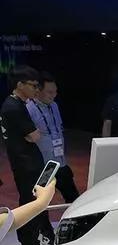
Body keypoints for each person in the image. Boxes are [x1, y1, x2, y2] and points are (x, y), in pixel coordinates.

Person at [0, 66, 52, 245]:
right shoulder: (13, 107)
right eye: (33, 85)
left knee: (30, 203)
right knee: (31, 204)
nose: (36, 90)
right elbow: (34, 135)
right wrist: (34, 133)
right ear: (20, 84)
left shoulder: (17, 104)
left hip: (26, 162)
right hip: (25, 164)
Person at [26, 72, 80, 202]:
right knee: (40, 202)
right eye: (49, 92)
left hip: (60, 162)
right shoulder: (28, 108)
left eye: (55, 92)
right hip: (45, 166)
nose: (53, 95)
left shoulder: (54, 106)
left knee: (74, 199)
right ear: (38, 91)